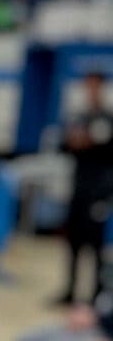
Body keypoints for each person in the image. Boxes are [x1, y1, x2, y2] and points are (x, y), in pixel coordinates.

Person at [54, 71, 113, 305]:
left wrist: (90, 143)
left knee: (95, 245)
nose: (90, 90)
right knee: (73, 242)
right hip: (77, 188)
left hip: (97, 190)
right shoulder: (78, 117)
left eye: (94, 85)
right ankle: (70, 291)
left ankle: (96, 294)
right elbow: (64, 145)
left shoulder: (106, 118)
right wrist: (74, 141)